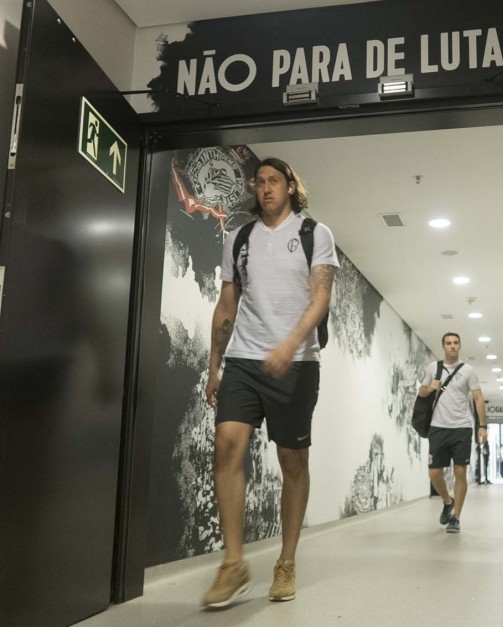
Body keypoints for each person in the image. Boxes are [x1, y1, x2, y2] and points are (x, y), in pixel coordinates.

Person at [202, 157, 340, 609]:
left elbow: (320, 297)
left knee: (292, 461)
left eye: (274, 181)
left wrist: (290, 345)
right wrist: (214, 364)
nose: (266, 188)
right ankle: (234, 564)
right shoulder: (238, 238)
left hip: (297, 362)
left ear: (289, 186)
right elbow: (227, 303)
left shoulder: (314, 234)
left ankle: (286, 561)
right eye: (259, 181)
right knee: (226, 445)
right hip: (243, 358)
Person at [418, 332, 488, 533]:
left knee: (460, 472)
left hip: (461, 427)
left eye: (456, 343)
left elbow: (478, 399)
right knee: (434, 473)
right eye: (449, 343)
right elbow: (421, 392)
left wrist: (482, 426)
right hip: (438, 427)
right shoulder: (434, 368)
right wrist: (429, 388)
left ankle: (456, 517)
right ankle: (448, 501)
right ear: (443, 346)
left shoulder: (468, 371)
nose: (452, 346)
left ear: (460, 346)